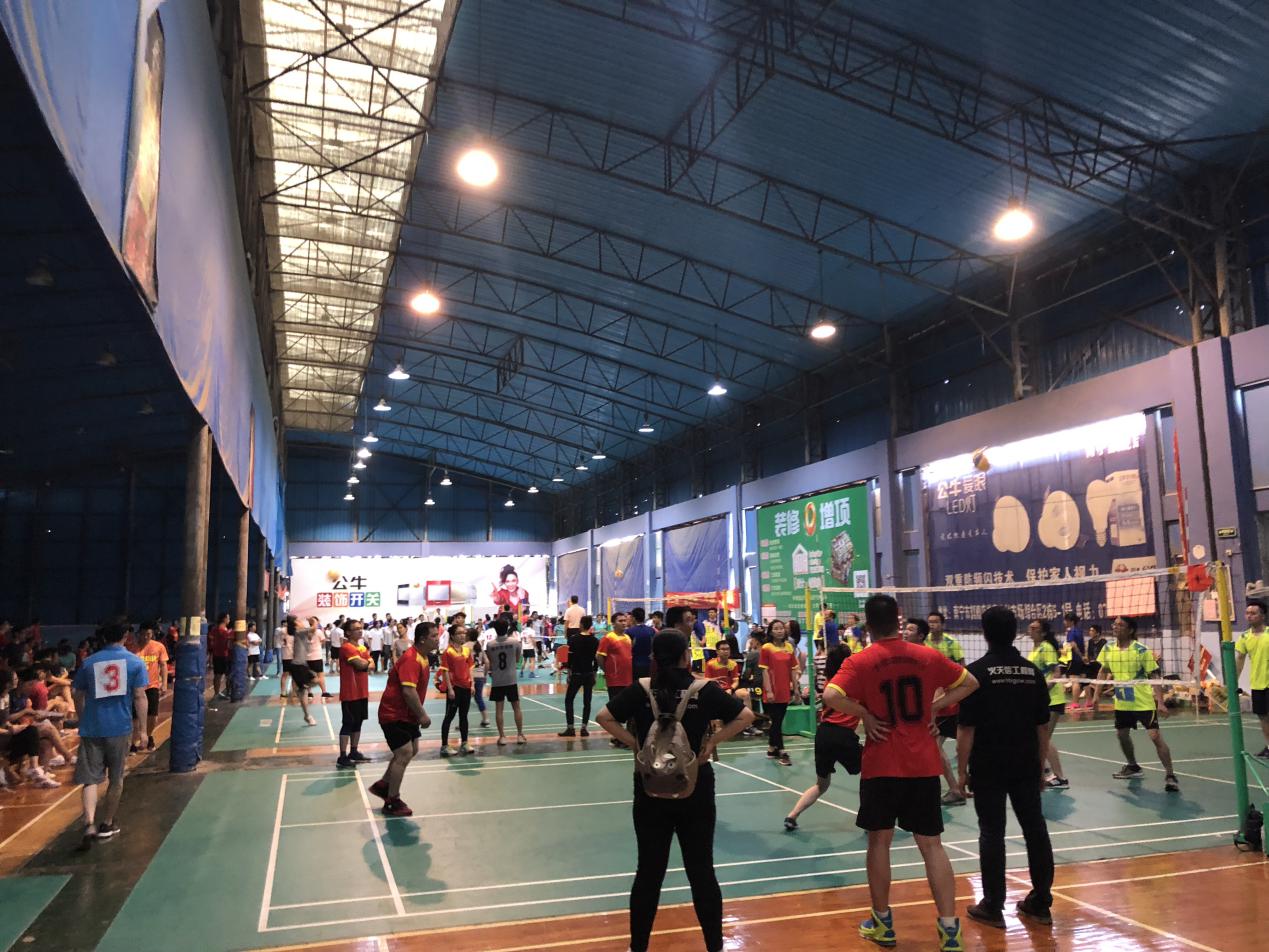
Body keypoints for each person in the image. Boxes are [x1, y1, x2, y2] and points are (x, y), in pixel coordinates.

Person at [822, 594, 978, 952]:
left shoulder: (861, 660)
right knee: (932, 845)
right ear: (899, 620)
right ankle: (950, 930)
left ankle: (882, 924)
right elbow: (970, 683)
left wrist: (865, 714)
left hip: (882, 764)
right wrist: (933, 708)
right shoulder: (927, 655)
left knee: (879, 842)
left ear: (868, 624)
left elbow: (830, 695)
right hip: (922, 763)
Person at [596, 630, 755, 952]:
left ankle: (638, 946)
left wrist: (637, 745)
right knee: (701, 871)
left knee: (648, 872)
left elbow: (604, 717)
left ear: (653, 658)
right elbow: (745, 716)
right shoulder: (703, 690)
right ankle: (714, 946)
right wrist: (711, 742)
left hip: (649, 789)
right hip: (696, 787)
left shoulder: (642, 689)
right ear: (686, 656)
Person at [957, 607, 1055, 929]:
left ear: (985, 633)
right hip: (1025, 763)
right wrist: (1040, 767)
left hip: (988, 765)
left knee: (991, 832)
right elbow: (1042, 727)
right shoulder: (1032, 673)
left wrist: (961, 771)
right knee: (1035, 830)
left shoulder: (976, 674)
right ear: (1015, 633)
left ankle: (993, 905)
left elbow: (966, 729)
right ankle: (1041, 902)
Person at [72, 621, 149, 851]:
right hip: (120, 727)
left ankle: (89, 823)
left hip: (92, 728)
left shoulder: (89, 662)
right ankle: (107, 823)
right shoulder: (135, 662)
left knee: (90, 779)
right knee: (116, 779)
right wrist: (143, 730)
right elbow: (140, 697)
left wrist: (82, 717)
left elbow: (77, 694)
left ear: (103, 637)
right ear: (126, 636)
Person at [1095, 616, 1179, 791]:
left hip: (1143, 701)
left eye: (1120, 625)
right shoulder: (1108, 648)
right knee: (1121, 735)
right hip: (1123, 701)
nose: (1115, 627)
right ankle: (1133, 767)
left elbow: (1154, 675)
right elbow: (1103, 671)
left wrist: (1160, 702)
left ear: (1130, 630)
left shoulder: (1141, 650)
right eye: (1114, 624)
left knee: (1155, 736)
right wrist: (1096, 695)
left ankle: (1170, 775)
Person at [784, 643, 858, 831]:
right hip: (843, 735)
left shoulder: (829, 681)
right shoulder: (854, 683)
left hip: (823, 734)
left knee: (821, 784)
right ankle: (870, 819)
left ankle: (792, 815)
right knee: (872, 774)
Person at [370, 622, 438, 817]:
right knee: (404, 753)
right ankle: (392, 801)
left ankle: (384, 785)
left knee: (412, 749)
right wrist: (422, 715)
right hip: (394, 714)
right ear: (422, 639)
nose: (437, 639)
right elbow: (408, 691)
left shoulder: (423, 657)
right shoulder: (411, 659)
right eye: (433, 636)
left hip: (407, 715)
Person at [925, 611, 968, 805]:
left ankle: (957, 788)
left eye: (935, 622)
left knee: (959, 746)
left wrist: (950, 693)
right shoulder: (924, 642)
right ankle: (956, 788)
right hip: (934, 703)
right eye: (930, 622)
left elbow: (963, 671)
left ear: (942, 624)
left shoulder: (951, 643)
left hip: (949, 703)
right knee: (935, 747)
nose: (932, 625)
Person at [1027, 619, 1069, 789]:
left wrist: (1043, 690)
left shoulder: (1046, 648)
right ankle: (1044, 770)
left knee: (1044, 738)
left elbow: (1056, 673)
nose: (1030, 629)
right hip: (1041, 700)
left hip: (1053, 699)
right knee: (1037, 737)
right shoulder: (1035, 648)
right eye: (1030, 627)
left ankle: (1060, 778)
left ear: (1043, 632)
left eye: (1035, 628)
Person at [760, 618, 799, 766]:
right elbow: (764, 671)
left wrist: (796, 689)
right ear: (770, 632)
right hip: (771, 689)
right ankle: (782, 751)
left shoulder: (789, 647)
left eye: (781, 628)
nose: (779, 631)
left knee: (778, 721)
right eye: (776, 628)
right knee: (776, 721)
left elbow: (793, 670)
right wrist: (769, 691)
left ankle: (772, 748)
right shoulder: (766, 648)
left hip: (784, 690)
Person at [484, 617, 527, 746]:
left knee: (499, 709)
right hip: (511, 679)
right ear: (507, 628)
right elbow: (518, 659)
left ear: (495, 629)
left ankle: (502, 737)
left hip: (497, 680)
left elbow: (491, 661)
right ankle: (520, 735)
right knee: (516, 707)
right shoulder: (515, 642)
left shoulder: (490, 645)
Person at [1235, 598, 1269, 758]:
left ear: (1262, 616)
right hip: (1257, 684)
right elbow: (1240, 659)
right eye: (1247, 613)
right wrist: (1233, 681)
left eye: (1253, 613)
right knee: (1263, 717)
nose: (1249, 616)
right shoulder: (1244, 637)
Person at [336, 621, 372, 769]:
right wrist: (366, 662)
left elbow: (371, 664)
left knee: (358, 722)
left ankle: (354, 752)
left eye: (360, 628)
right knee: (348, 723)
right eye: (356, 629)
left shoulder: (362, 647)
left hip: (362, 692)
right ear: (348, 632)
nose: (360, 631)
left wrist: (366, 662)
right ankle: (342, 756)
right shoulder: (346, 648)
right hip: (350, 693)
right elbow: (360, 664)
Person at [559, 615, 600, 737]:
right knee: (587, 702)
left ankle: (570, 728)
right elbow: (596, 660)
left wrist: (569, 672)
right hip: (589, 674)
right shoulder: (595, 641)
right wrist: (594, 673)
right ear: (590, 626)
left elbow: (569, 658)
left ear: (581, 625)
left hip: (576, 674)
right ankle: (584, 728)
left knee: (569, 700)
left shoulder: (573, 639)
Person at [438, 625, 475, 756]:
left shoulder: (467, 650)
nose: (462, 635)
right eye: (459, 633)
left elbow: (470, 668)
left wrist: (472, 684)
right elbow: (445, 671)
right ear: (453, 636)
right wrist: (450, 689)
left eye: (464, 633)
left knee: (464, 716)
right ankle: (444, 746)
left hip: (466, 688)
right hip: (454, 689)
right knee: (449, 717)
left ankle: (464, 743)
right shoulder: (447, 652)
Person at [130, 624, 168, 752]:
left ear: (152, 634)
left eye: (149, 634)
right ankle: (133, 742)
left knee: (153, 716)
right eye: (143, 634)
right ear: (138, 634)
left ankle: (149, 736)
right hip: (136, 687)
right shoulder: (132, 648)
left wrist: (164, 684)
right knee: (135, 717)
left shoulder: (159, 646)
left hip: (152, 685)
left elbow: (163, 665)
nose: (146, 637)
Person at [598, 612, 634, 744]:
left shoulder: (628, 638)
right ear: (613, 623)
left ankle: (627, 738)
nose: (624, 623)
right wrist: (608, 671)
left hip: (628, 679)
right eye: (620, 621)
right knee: (615, 712)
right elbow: (599, 657)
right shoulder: (608, 638)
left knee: (630, 710)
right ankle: (618, 737)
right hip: (615, 680)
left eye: (625, 620)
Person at [287, 617, 318, 727]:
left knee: (315, 680)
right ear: (295, 623)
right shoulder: (299, 632)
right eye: (299, 620)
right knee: (305, 691)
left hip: (302, 665)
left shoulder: (301, 633)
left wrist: (311, 623)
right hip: (298, 666)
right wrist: (314, 620)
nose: (301, 622)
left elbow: (311, 634)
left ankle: (296, 690)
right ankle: (307, 716)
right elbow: (314, 628)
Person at [1062, 611, 1088, 711]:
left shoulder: (1071, 631)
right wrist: (1084, 656)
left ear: (1071, 621)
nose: (1064, 622)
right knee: (1085, 681)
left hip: (1074, 659)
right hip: (1080, 659)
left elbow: (1073, 645)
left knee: (1075, 681)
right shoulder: (1079, 631)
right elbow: (1083, 645)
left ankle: (1075, 703)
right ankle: (1089, 701)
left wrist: (1081, 656)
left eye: (1066, 620)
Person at [468, 627, 489, 728]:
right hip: (480, 675)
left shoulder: (465, 647)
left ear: (468, 636)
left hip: (469, 676)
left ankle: (462, 722)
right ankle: (486, 719)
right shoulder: (479, 646)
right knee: (479, 698)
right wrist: (484, 674)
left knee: (464, 700)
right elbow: (487, 662)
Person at [628, 607, 656, 682]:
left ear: (633, 618)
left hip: (634, 664)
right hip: (649, 664)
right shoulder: (651, 631)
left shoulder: (629, 631)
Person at [1083, 624, 1106, 711]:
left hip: (1101, 665)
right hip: (1092, 664)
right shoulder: (1089, 642)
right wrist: (1086, 659)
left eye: (1092, 631)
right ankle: (1089, 700)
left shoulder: (1103, 642)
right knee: (1083, 677)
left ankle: (1095, 697)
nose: (1090, 632)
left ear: (1097, 633)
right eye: (1090, 630)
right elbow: (1088, 656)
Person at [209, 612, 233, 699]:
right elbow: (228, 643)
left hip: (217, 655)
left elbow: (211, 639)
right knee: (225, 675)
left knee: (218, 675)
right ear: (224, 619)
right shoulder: (223, 630)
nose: (229, 620)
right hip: (223, 655)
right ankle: (226, 692)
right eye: (228, 618)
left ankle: (217, 693)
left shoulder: (215, 629)